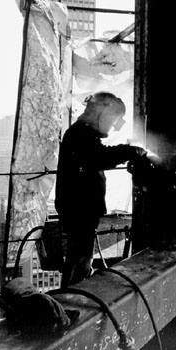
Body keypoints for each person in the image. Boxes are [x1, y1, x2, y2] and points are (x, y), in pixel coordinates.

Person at [55, 91, 146, 287]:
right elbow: (100, 157)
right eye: (112, 120)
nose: (112, 126)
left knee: (79, 258)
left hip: (79, 208)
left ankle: (72, 297)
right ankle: (72, 298)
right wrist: (131, 151)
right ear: (103, 112)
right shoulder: (80, 135)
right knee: (79, 259)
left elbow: (98, 156)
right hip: (80, 209)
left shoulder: (79, 134)